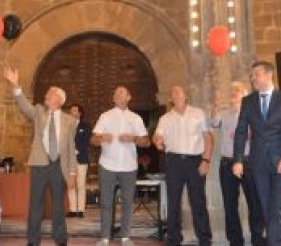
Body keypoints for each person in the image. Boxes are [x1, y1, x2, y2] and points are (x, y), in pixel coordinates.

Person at [4, 66, 77, 246]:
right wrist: (16, 85)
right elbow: (23, 105)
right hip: (39, 165)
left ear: (59, 99)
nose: (47, 95)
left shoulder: (70, 121)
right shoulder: (38, 112)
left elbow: (70, 148)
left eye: (51, 93)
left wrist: (72, 173)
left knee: (59, 206)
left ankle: (60, 240)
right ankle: (33, 241)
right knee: (35, 205)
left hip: (58, 166)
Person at [233, 60, 281, 246]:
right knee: (266, 210)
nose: (253, 78)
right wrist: (238, 160)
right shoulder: (248, 101)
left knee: (277, 209)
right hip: (258, 164)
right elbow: (240, 131)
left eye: (257, 74)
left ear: (269, 75)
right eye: (252, 75)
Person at [153, 85, 213, 246]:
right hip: (174, 162)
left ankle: (205, 239)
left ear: (185, 96)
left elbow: (208, 137)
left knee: (198, 201)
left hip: (195, 161)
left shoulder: (198, 113)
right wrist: (157, 141)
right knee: (173, 201)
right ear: (171, 99)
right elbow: (157, 135)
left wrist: (206, 160)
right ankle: (173, 239)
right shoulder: (165, 118)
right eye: (173, 92)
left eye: (179, 91)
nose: (176, 94)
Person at [92, 86, 150, 246]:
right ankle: (104, 237)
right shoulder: (105, 116)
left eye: (122, 93)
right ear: (113, 98)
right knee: (106, 202)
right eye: (116, 93)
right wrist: (101, 138)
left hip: (129, 166)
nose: (118, 95)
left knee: (127, 201)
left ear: (129, 97)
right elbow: (93, 140)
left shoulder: (136, 118)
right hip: (107, 165)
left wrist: (134, 139)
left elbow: (146, 142)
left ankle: (125, 237)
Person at [211, 81, 265, 246]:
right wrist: (216, 106)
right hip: (227, 163)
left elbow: (263, 132)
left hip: (248, 163)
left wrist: (250, 133)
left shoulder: (253, 112)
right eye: (233, 90)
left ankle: (257, 239)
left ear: (245, 95)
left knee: (254, 203)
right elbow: (213, 123)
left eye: (238, 90)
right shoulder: (225, 113)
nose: (234, 92)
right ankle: (235, 241)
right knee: (229, 204)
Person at [67, 104, 91, 218]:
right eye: (71, 110)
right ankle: (72, 209)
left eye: (74, 110)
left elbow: (85, 141)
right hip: (68, 160)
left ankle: (81, 209)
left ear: (80, 113)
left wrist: (75, 151)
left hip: (81, 158)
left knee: (80, 185)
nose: (72, 112)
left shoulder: (85, 126)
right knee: (70, 184)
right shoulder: (65, 126)